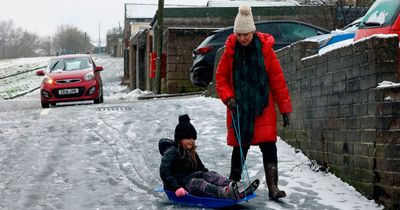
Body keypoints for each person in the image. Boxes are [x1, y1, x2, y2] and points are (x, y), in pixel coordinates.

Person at [215, 4, 292, 200]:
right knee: (240, 147)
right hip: (240, 107)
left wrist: (285, 109)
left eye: (246, 34)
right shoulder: (230, 51)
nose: (242, 38)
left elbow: (277, 80)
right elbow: (221, 78)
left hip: (262, 106)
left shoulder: (266, 50)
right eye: (239, 34)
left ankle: (273, 187)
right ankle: (232, 183)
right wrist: (229, 98)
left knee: (269, 146)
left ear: (252, 30)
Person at [159, 114, 259, 200]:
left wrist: (209, 176)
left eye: (193, 138)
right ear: (180, 138)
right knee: (199, 183)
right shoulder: (171, 152)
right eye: (188, 138)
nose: (192, 141)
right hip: (181, 183)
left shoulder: (191, 152)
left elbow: (201, 168)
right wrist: (176, 187)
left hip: (193, 177)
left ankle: (236, 186)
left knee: (211, 175)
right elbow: (164, 171)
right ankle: (224, 192)